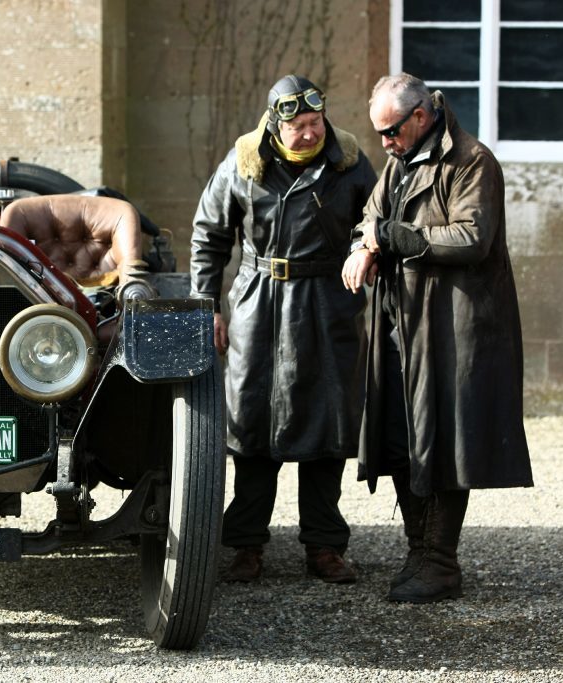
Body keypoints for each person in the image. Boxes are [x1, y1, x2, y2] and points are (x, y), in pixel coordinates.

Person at [341, 73, 533, 603]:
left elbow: (471, 237)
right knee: (402, 437)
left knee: (446, 440)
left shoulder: (472, 161)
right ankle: (418, 552)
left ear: (420, 117)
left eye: (391, 131)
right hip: (405, 321)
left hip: (455, 326)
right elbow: (372, 216)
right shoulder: (401, 159)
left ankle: (440, 562)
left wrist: (388, 238)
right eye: (380, 133)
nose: (384, 143)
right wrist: (366, 245)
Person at [191, 75, 376, 584]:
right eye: (298, 126)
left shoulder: (350, 163)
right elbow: (209, 236)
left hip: (329, 302)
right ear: (275, 124)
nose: (310, 134)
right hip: (259, 303)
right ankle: (247, 546)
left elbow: (376, 218)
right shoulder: (243, 163)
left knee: (328, 424)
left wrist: (365, 244)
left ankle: (325, 546)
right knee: (252, 425)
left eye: (316, 123)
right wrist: (207, 306)